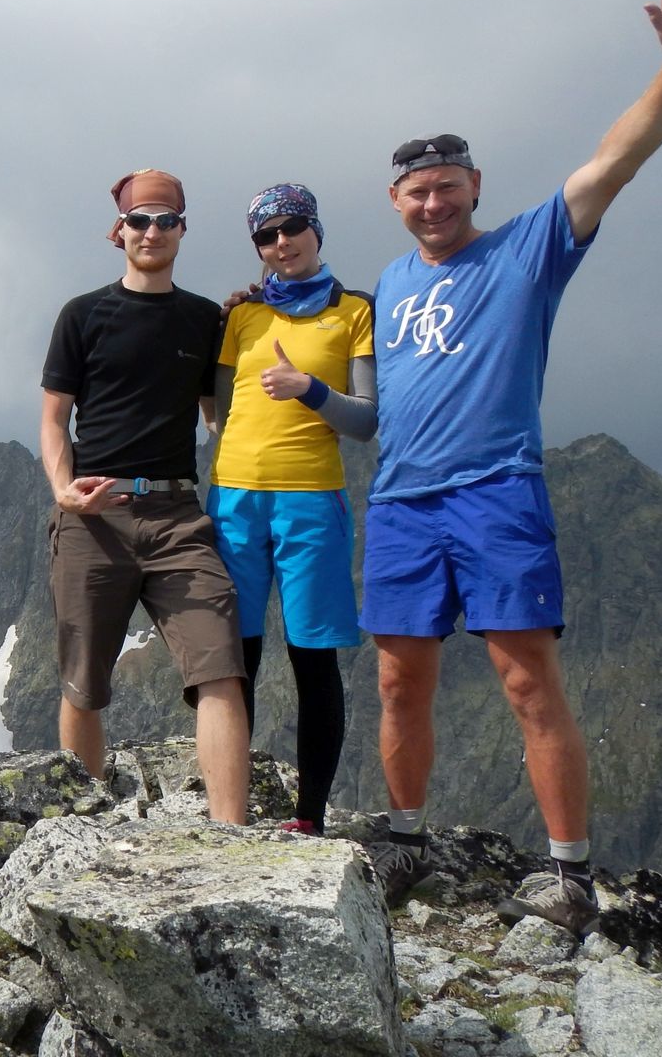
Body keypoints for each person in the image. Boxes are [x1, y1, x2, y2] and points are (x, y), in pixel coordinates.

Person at [363, 0, 662, 934]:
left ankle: (567, 874)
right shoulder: (390, 285)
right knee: (398, 676)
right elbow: (379, 402)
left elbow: (615, 158)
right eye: (415, 191)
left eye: (446, 187)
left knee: (526, 678)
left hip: (495, 494)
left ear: (473, 185)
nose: (432, 203)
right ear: (394, 199)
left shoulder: (528, 245)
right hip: (400, 503)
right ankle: (401, 838)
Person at [40, 168, 249, 823]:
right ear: (118, 232)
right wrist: (64, 493)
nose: (152, 231)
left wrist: (258, 323)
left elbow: (221, 415)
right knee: (84, 684)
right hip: (93, 516)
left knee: (219, 667)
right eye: (140, 220)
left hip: (176, 514)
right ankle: (86, 830)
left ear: (183, 230)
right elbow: (53, 419)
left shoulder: (204, 319)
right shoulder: (82, 316)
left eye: (165, 220)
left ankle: (231, 836)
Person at [208, 183, 376, 835]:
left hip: (311, 501)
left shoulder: (354, 309)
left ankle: (309, 819)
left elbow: (366, 421)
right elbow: (214, 408)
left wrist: (308, 389)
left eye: (294, 227)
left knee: (312, 657)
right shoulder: (242, 316)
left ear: (317, 229)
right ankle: (233, 809)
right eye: (267, 235)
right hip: (235, 498)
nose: (282, 243)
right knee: (235, 658)